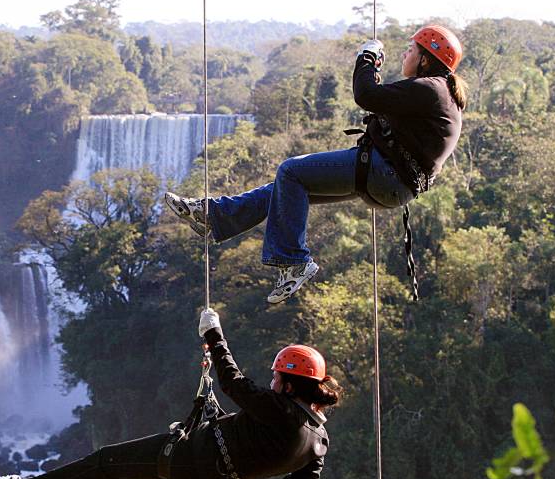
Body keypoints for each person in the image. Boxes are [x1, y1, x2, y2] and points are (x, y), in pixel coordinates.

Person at [166, 25, 467, 303]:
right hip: (390, 181)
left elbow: (366, 95)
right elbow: (380, 99)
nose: (406, 54)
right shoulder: (437, 93)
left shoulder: (430, 88)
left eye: (412, 50)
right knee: (287, 188)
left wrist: (367, 57)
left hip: (383, 173)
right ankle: (215, 215)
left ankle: (295, 260)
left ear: (426, 60)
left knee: (291, 170)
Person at [0, 308, 341, 479]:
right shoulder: (318, 442)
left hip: (188, 460)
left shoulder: (281, 410)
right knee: (120, 472)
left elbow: (234, 382)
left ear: (292, 387)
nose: (273, 381)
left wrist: (214, 334)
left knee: (105, 461)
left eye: (278, 377)